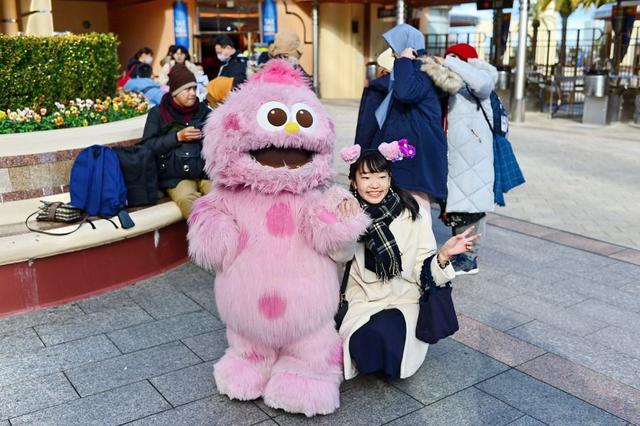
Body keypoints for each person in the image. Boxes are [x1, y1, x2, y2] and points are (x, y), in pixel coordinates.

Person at [337, 144, 478, 380]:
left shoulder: (412, 212)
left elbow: (422, 266)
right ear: (353, 181)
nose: (375, 184)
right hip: (362, 297)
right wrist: (346, 225)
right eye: (366, 177)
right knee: (364, 339)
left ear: (390, 178)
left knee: (387, 334)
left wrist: (443, 255)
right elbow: (338, 257)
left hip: (402, 297)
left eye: (381, 177)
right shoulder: (345, 211)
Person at [354, 24, 449, 210]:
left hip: (417, 154)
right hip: (410, 151)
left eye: (393, 48)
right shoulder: (415, 70)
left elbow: (405, 93)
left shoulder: (421, 70)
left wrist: (404, 60)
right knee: (403, 206)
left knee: (416, 207)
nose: (392, 53)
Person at [435, 43, 497, 276]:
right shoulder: (455, 84)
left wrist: (451, 62)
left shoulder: (481, 78)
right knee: (459, 206)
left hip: (473, 154)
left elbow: (482, 84)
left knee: (471, 207)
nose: (449, 62)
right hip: (456, 154)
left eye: (456, 59)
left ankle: (470, 258)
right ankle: (461, 253)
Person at [141, 63, 212, 219]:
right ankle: (208, 240)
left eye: (194, 88)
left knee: (224, 197)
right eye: (187, 89)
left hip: (205, 172)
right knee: (189, 202)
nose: (193, 93)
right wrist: (177, 137)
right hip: (176, 176)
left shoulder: (204, 111)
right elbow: (147, 146)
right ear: (175, 92)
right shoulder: (158, 113)